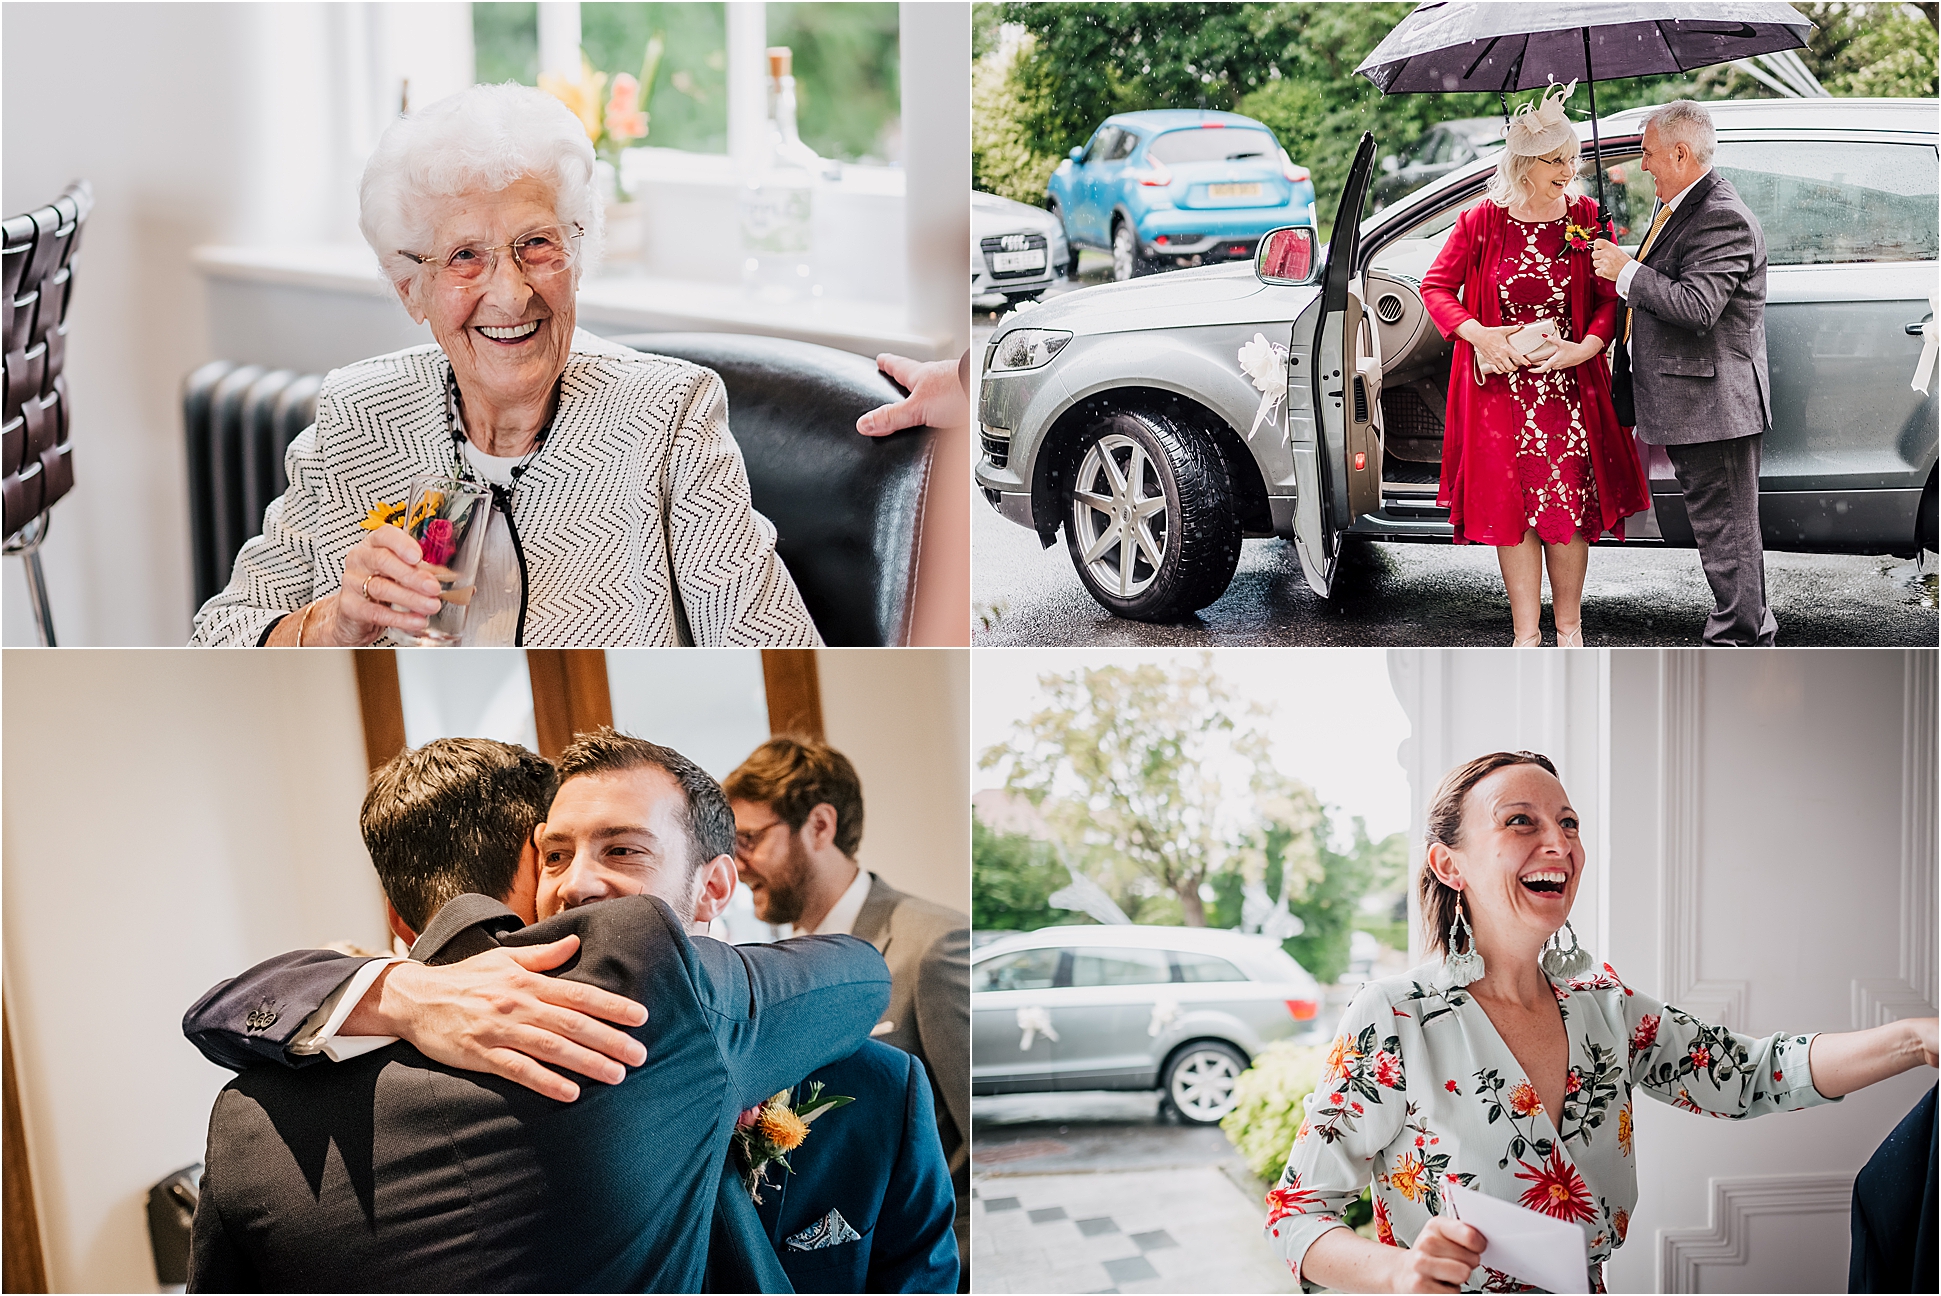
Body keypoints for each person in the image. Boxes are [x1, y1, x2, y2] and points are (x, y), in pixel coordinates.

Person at [184, 736, 954, 1291]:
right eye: (553, 856)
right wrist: (401, 993)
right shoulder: (493, 1054)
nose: (574, 886)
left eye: (622, 851)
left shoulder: (877, 1085)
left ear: (715, 886)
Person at [1265, 750, 1939, 1294]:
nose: (1557, 842)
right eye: (1520, 822)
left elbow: (1752, 1075)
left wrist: (1916, 1038)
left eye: (1568, 823)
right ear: (1449, 864)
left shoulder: (1604, 1009)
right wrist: (1398, 1274)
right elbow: (1296, 1214)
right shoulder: (1394, 1016)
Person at [189, 82, 820, 647]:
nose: (512, 294)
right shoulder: (360, 415)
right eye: (466, 255)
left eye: (536, 244)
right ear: (412, 288)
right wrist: (332, 624)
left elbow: (780, 659)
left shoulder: (666, 418)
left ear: (578, 249)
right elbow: (217, 646)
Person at [724, 735, 973, 1283]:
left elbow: (979, 1143)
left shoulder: (935, 946)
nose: (736, 865)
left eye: (749, 839)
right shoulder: (775, 975)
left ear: (819, 825)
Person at [1422, 82, 1650, 647]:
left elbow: (1607, 296)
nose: (1568, 168)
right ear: (1524, 165)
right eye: (1555, 160)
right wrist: (1481, 336)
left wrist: (1588, 347)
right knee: (1514, 506)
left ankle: (1569, 631)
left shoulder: (1587, 216)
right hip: (1503, 393)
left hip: (1568, 389)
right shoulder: (1481, 223)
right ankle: (1525, 636)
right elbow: (1436, 288)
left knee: (1565, 503)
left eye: (1571, 157)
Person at [1592, 100, 1777, 647]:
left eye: (1648, 154)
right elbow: (1672, 278)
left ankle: (1740, 639)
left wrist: (1626, 272)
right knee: (1722, 528)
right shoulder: (1682, 204)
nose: (1643, 165)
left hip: (1713, 406)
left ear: (1680, 152)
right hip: (1698, 403)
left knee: (1729, 532)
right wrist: (1628, 266)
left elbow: (1698, 307)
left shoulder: (1719, 215)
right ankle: (1745, 630)